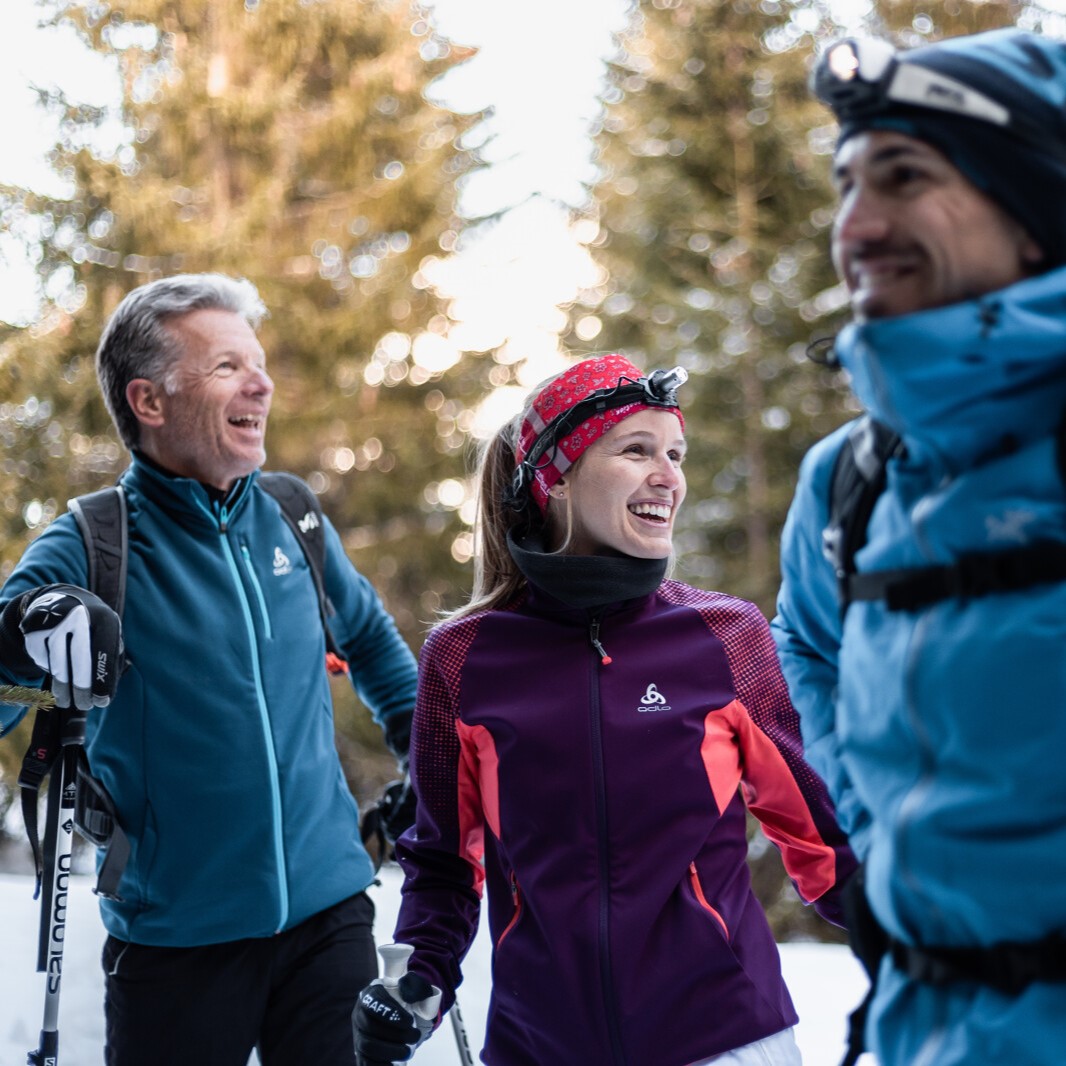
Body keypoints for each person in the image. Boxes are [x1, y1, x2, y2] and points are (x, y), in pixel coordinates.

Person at [351, 354, 855, 1066]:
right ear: (555, 479)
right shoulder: (463, 658)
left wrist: (914, 937)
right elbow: (443, 864)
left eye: (675, 454)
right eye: (637, 450)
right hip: (540, 1045)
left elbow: (818, 838)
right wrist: (417, 985)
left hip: (725, 1038)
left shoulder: (725, 635)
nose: (668, 476)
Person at [0, 273, 418, 1065]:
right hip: (177, 943)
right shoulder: (94, 541)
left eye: (257, 364)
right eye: (227, 367)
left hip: (331, 919)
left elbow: (371, 643)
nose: (261, 383)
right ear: (149, 401)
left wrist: (423, 760)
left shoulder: (293, 517)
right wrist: (23, 640)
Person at [772, 29, 1066, 1066]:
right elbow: (804, 644)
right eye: (846, 184)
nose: (855, 225)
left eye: (901, 177)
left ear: (1031, 208)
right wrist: (868, 828)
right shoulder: (847, 485)